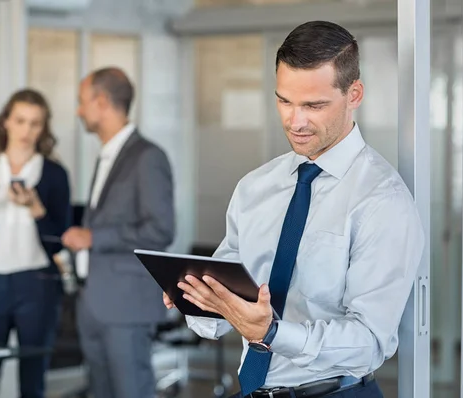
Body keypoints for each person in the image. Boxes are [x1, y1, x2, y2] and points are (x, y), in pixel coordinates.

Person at [164, 21, 424, 398]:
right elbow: (224, 306)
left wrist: (270, 332)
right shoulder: (256, 187)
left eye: (314, 105)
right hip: (253, 391)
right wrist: (199, 299)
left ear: (354, 94)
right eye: (284, 101)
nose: (295, 121)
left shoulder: (382, 200)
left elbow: (370, 340)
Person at [61, 67, 175, 398]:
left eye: (82, 102)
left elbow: (161, 229)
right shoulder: (108, 155)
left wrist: (94, 238)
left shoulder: (147, 157)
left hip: (126, 307)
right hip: (94, 302)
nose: (79, 110)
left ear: (101, 102)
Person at [0, 89, 72, 398]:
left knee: (33, 374)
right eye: (21, 121)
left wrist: (37, 211)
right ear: (6, 123)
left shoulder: (54, 175)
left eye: (35, 123)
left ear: (44, 128)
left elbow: (59, 243)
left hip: (36, 284)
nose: (27, 131)